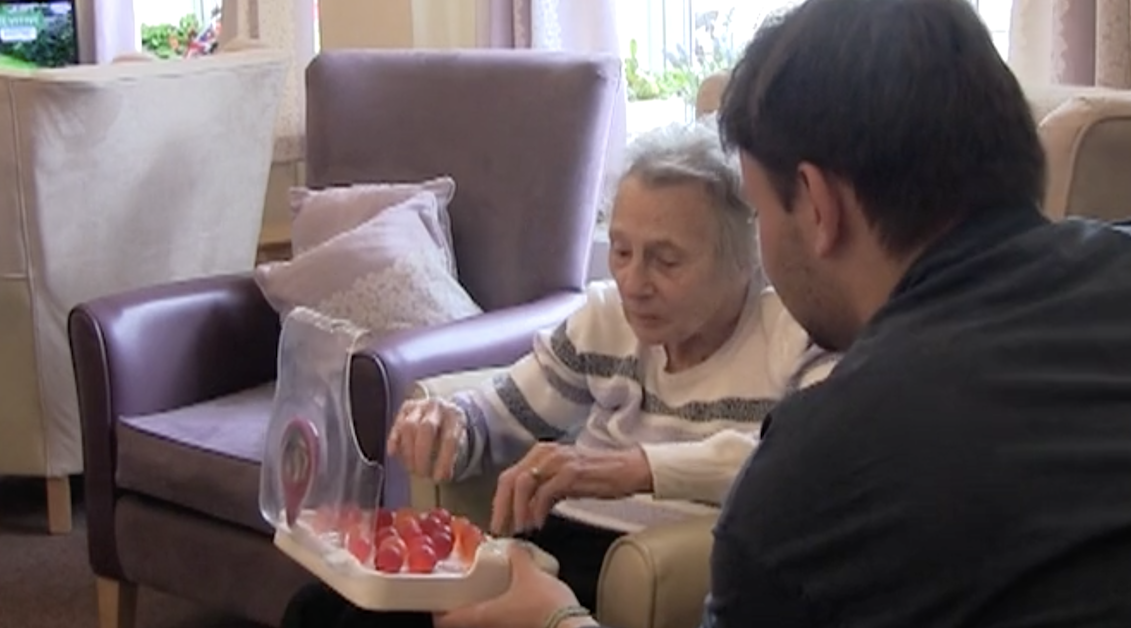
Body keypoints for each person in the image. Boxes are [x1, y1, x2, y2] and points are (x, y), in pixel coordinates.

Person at [351, 0, 1131, 627]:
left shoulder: (822, 461)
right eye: (621, 252)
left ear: (817, 208)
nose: (636, 280)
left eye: (760, 209)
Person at [281, 117, 835, 627]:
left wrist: (632, 468)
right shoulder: (605, 320)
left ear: (744, 257)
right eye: (620, 251)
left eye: (666, 261)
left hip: (652, 563)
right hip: (553, 542)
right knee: (320, 612)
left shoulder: (794, 335)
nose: (634, 283)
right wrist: (450, 419)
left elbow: (799, 464)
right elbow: (504, 411)